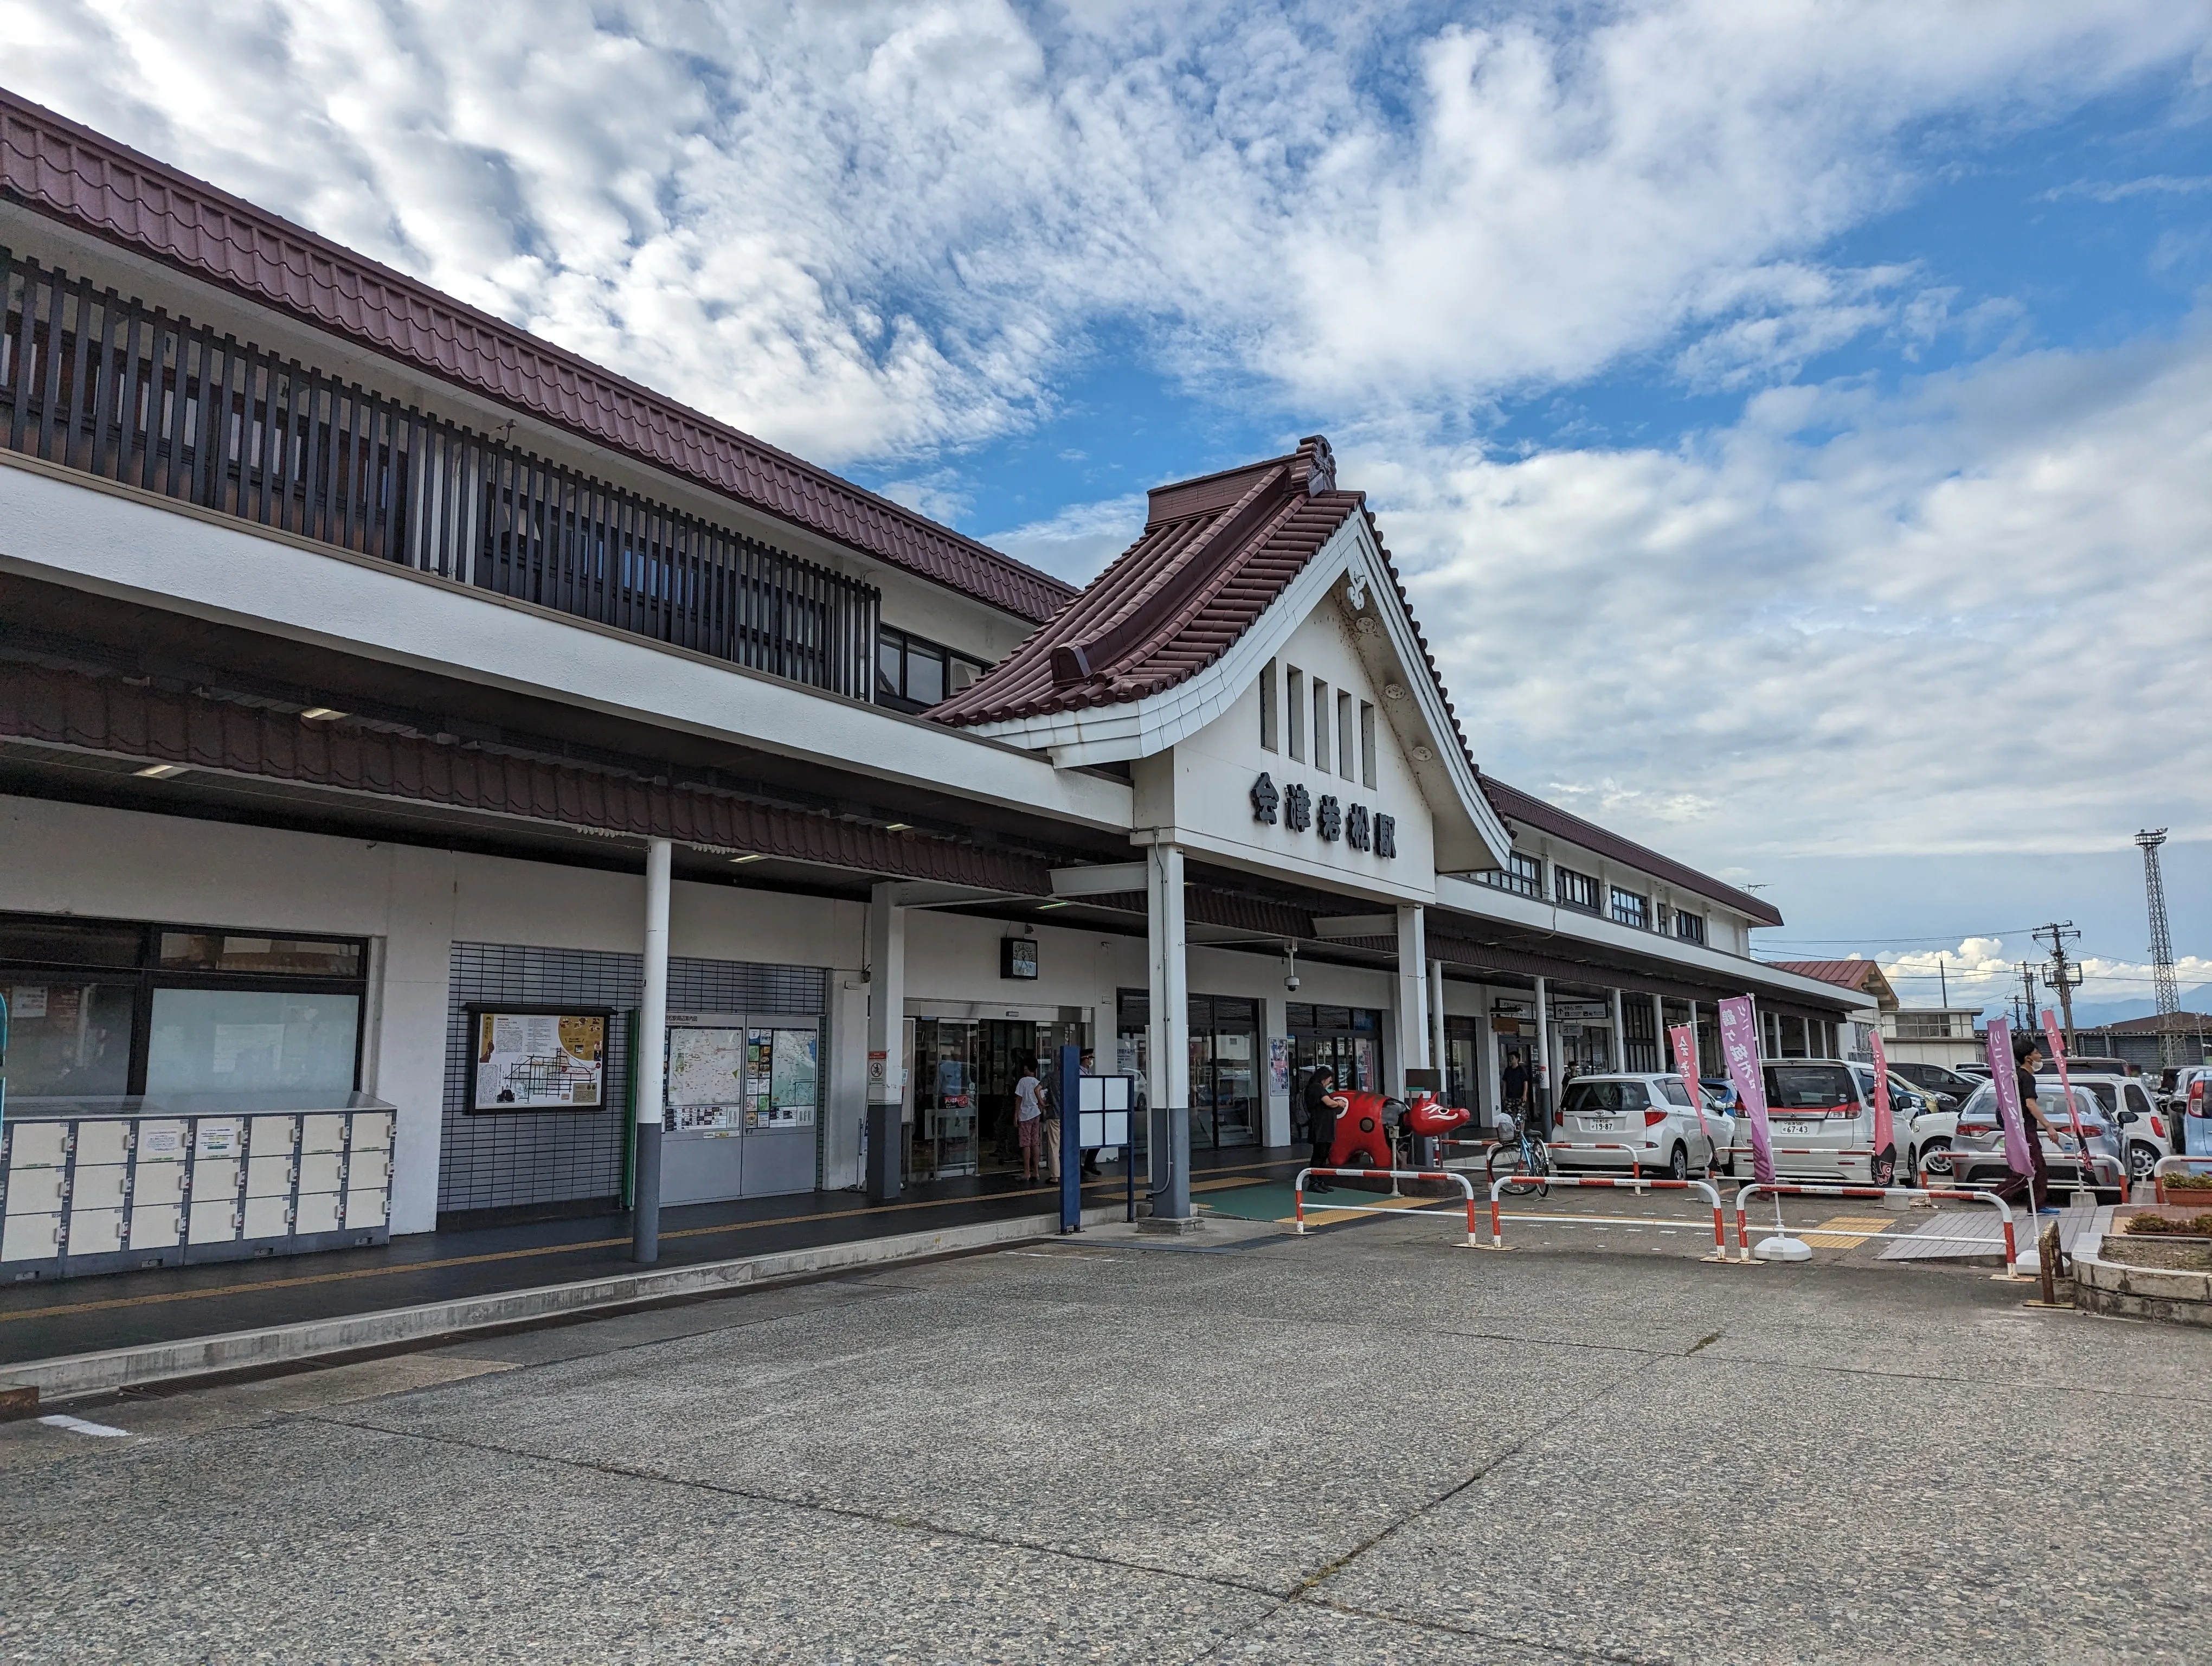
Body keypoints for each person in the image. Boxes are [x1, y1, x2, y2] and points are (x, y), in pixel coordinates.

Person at [1995, 1036, 2060, 1214]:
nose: (2041, 1056)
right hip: (2024, 1129)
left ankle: (2036, 1206)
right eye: (2037, 1053)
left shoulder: (2016, 1077)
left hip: (2022, 1128)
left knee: (2039, 1168)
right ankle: (1995, 1195)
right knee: (2029, 1169)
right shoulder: (2026, 1078)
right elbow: (2031, 1104)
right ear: (2028, 1058)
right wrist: (2048, 1126)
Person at [1304, 1066, 1340, 1191]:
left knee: (1323, 1155)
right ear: (1324, 1078)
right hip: (1321, 1128)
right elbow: (1330, 1103)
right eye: (1329, 1080)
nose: (1329, 1083)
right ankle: (1314, 1182)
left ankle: (1320, 1180)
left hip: (1323, 1127)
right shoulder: (1317, 1088)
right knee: (1319, 1155)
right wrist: (1339, 1103)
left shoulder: (1313, 1088)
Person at [1013, 1055, 1045, 1182]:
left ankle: (1027, 1172)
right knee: (1035, 1142)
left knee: (1026, 1143)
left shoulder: (1023, 1081)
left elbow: (1019, 1099)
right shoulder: (1038, 1082)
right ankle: (1036, 1172)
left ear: (1026, 1068)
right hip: (1036, 1114)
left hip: (1025, 1116)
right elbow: (1042, 1100)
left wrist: (1016, 1115)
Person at [1078, 1047, 1103, 1178]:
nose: (1090, 1061)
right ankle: (1079, 1166)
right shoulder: (1079, 1073)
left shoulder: (1088, 1072)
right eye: (1089, 1059)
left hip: (1091, 1110)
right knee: (1081, 1139)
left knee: (1096, 1138)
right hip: (1083, 1110)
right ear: (1084, 1059)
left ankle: (1089, 1163)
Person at [1501, 1050, 1530, 1124]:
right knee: (1508, 1113)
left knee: (1520, 1114)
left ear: (1517, 1059)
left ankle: (1521, 1130)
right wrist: (1504, 1094)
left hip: (1519, 1096)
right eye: (1510, 1058)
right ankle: (1512, 1128)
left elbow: (1525, 1082)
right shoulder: (1508, 1070)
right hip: (1510, 1096)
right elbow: (1505, 1082)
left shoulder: (1521, 1070)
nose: (1511, 1060)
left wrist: (1524, 1094)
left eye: (1512, 1058)